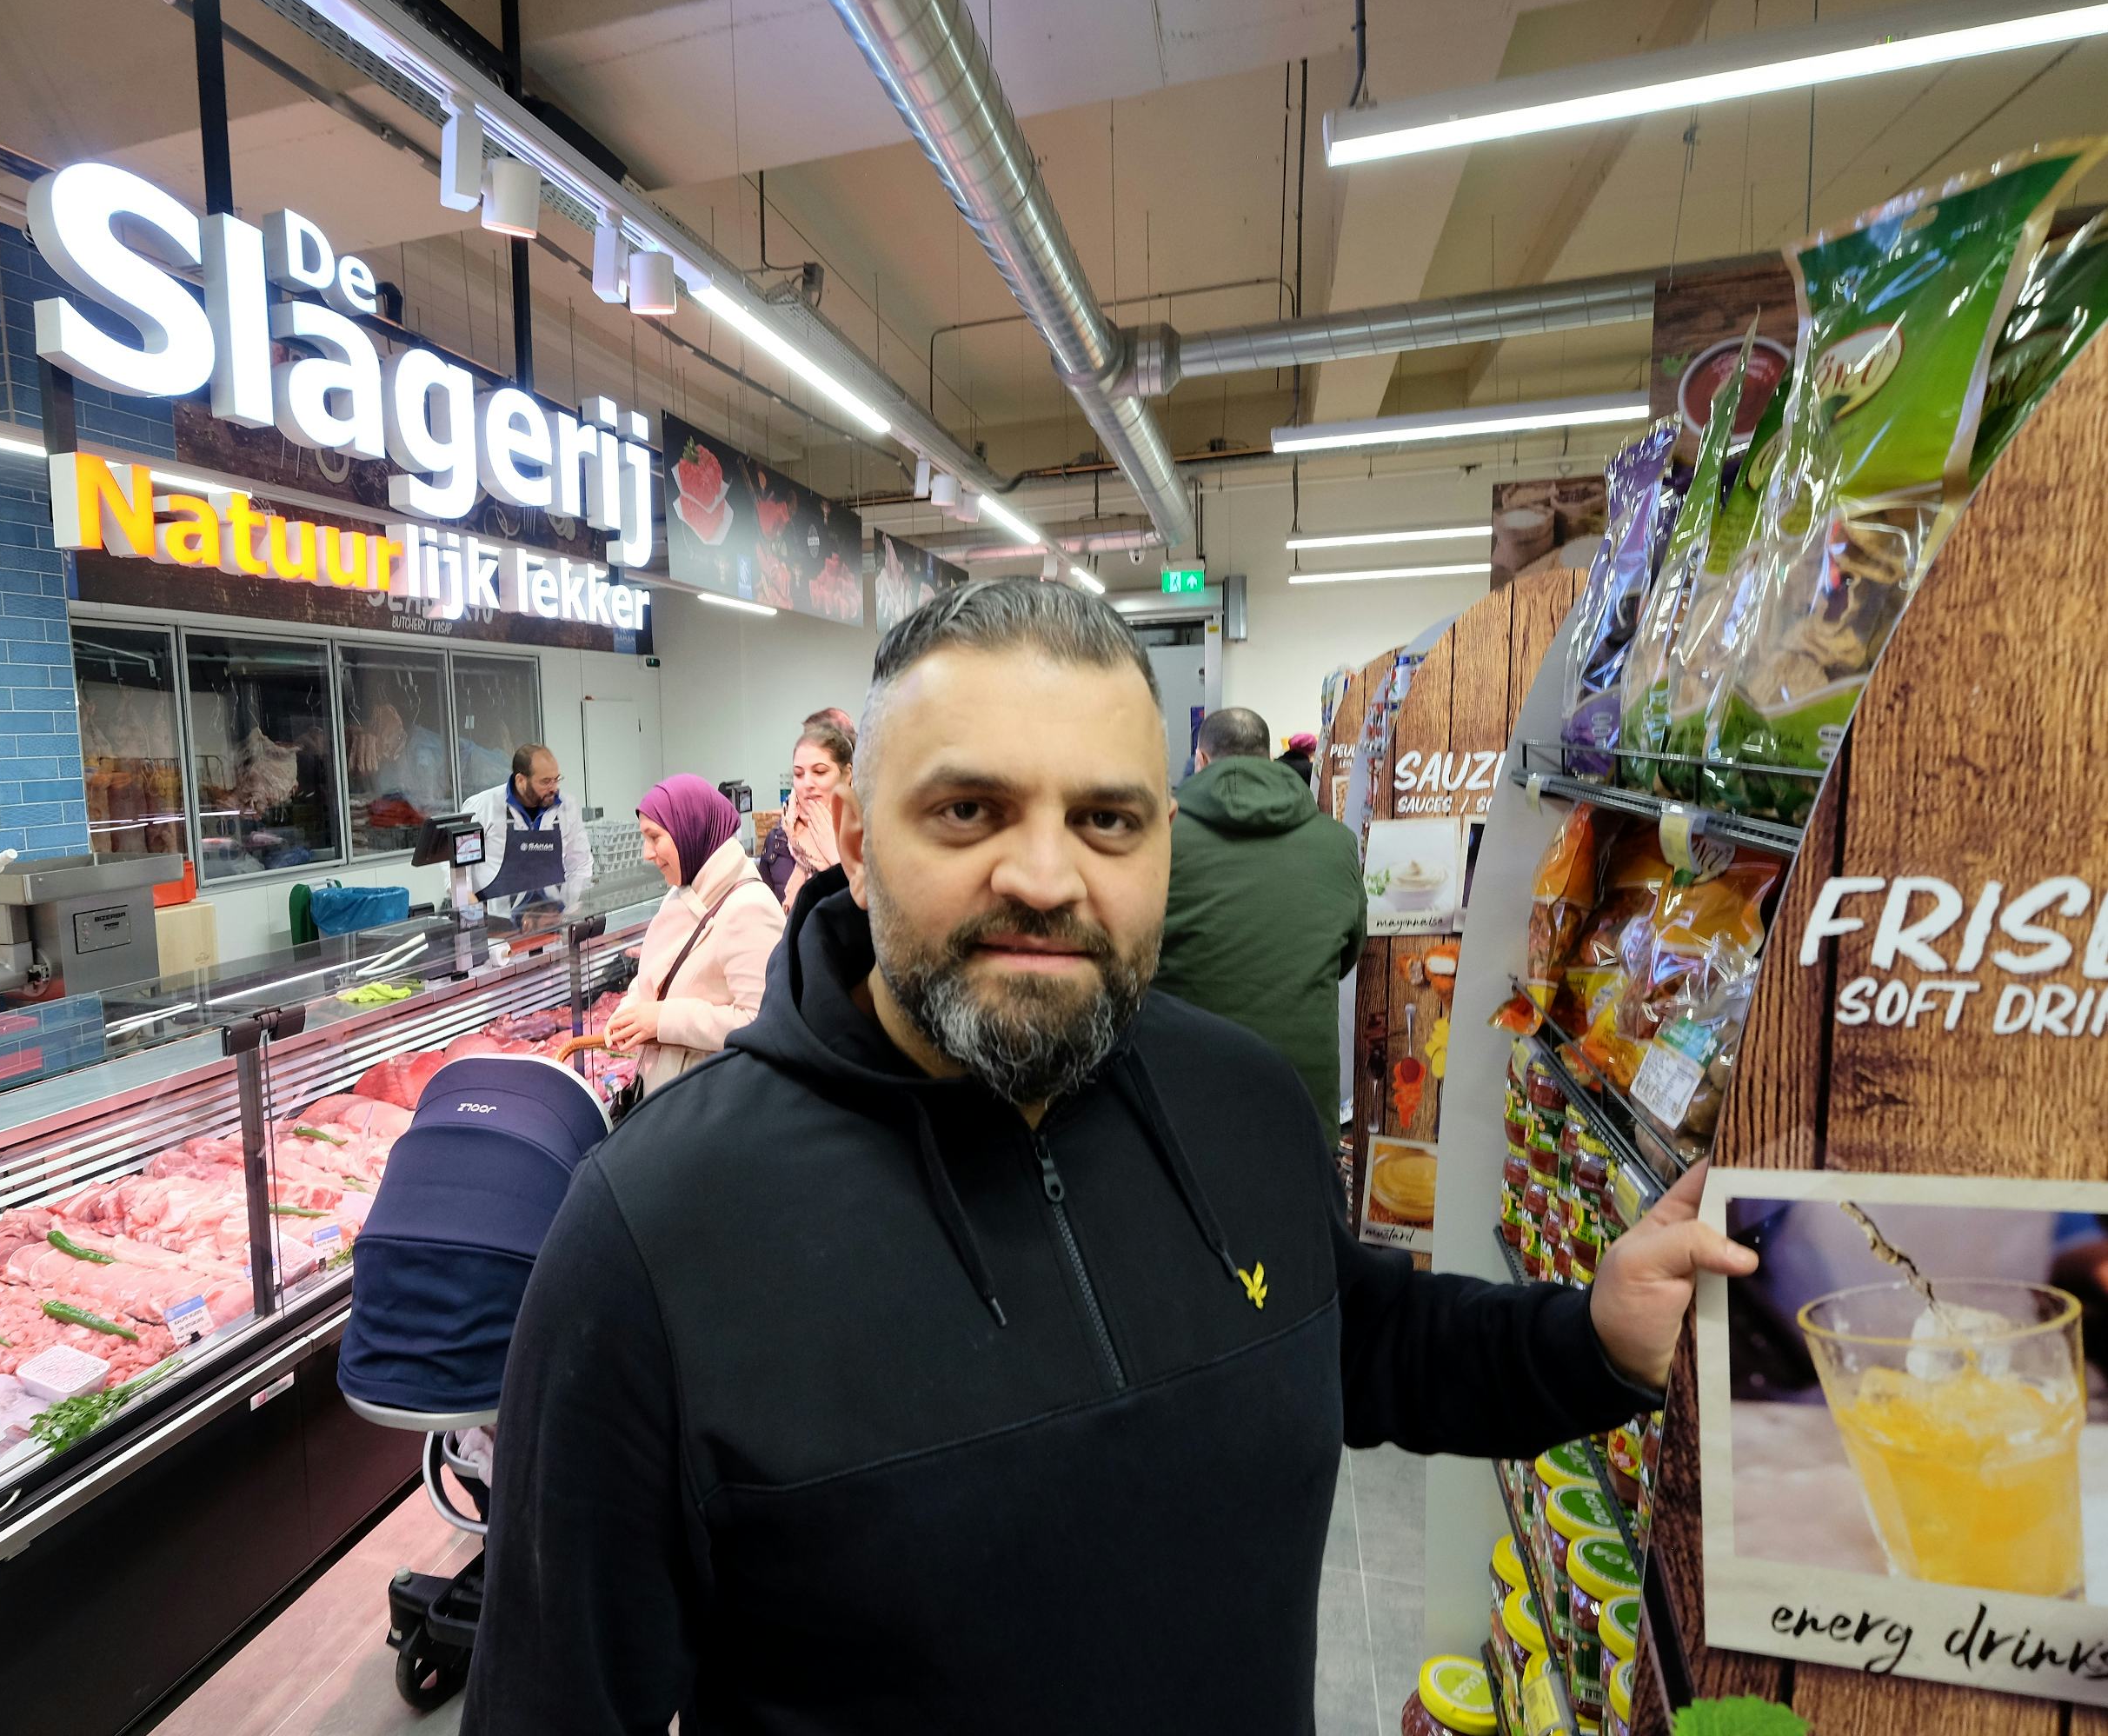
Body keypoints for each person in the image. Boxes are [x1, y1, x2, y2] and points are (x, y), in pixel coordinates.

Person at [465, 580, 1752, 1734]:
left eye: (1107, 819)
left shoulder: (1242, 1102)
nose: (1045, 875)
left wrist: (1594, 1338)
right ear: (852, 837)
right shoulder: (653, 1238)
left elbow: (1361, 1340)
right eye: (968, 809)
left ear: (1163, 843)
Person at [1154, 706, 1366, 1120]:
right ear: (1268, 757)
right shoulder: (1338, 842)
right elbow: (1346, 956)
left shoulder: (1160, 840)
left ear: (1201, 760)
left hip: (1184, 1096)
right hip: (1302, 1100)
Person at [597, 774, 784, 1095]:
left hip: (715, 1102)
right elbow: (661, 971)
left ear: (689, 829)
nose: (646, 853)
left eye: (654, 837)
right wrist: (632, 1008)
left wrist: (663, 1020)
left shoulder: (749, 906)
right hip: (672, 1094)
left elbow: (764, 1022)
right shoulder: (684, 890)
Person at [461, 744, 590, 921]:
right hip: (497, 925)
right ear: (521, 780)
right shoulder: (483, 807)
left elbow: (580, 864)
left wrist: (569, 909)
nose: (553, 788)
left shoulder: (567, 806)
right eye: (545, 781)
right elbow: (459, 869)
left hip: (552, 922)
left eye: (556, 779)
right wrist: (473, 917)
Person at [759, 713, 855, 909]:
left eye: (820, 772)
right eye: (799, 774)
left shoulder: (869, 835)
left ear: (846, 775)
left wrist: (838, 859)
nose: (807, 783)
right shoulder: (780, 838)